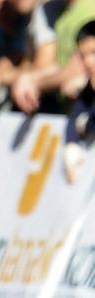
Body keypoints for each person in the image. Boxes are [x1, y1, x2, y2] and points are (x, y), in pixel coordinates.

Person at [63, 20, 95, 182]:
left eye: (94, 53)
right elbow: (74, 117)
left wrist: (87, 123)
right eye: (83, 56)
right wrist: (71, 146)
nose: (89, 62)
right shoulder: (88, 91)